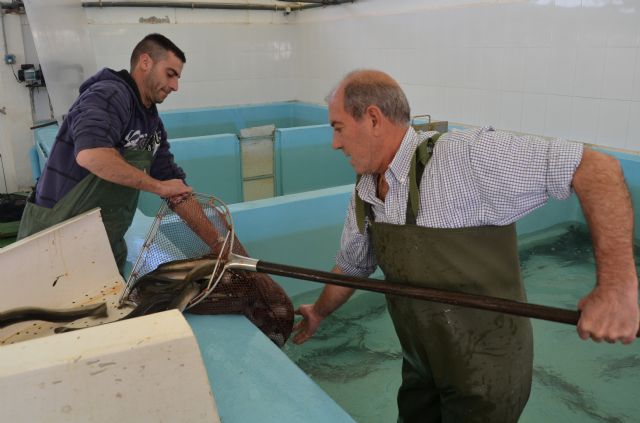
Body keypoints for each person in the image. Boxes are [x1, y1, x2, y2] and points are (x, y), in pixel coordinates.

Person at [293, 70, 639, 422]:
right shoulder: (366, 191)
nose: (335, 143)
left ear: (372, 118)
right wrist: (319, 312)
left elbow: (596, 169)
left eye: (337, 128)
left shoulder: (463, 158)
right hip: (421, 365)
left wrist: (616, 289)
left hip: (487, 377)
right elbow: (353, 267)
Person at [18, 33, 220, 274]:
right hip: (55, 240)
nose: (175, 86)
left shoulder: (151, 123)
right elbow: (91, 155)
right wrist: (158, 187)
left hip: (102, 243)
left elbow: (174, 185)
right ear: (145, 62)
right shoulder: (109, 94)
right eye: (170, 74)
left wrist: (221, 247)